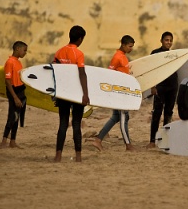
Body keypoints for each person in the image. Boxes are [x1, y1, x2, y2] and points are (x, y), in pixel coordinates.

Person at [53, 25, 90, 163]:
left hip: (63, 92)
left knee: (62, 124)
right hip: (76, 93)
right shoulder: (78, 53)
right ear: (80, 38)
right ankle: (78, 156)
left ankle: (58, 156)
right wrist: (85, 94)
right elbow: (82, 74)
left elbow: (55, 71)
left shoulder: (59, 52)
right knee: (76, 123)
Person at [93, 35, 136, 152]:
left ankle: (98, 140)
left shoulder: (123, 57)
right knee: (123, 118)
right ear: (123, 45)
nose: (131, 49)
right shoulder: (117, 57)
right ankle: (128, 145)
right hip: (119, 93)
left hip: (123, 92)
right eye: (130, 46)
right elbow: (109, 74)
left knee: (115, 117)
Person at [146, 32, 178, 149]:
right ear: (161, 40)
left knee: (168, 113)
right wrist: (153, 86)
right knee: (157, 113)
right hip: (160, 87)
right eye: (166, 40)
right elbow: (151, 70)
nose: (168, 42)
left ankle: (165, 140)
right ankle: (152, 141)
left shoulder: (175, 54)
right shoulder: (155, 53)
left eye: (170, 40)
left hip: (172, 86)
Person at [0, 41, 28, 149]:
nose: (25, 53)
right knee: (12, 116)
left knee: (17, 117)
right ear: (17, 49)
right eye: (24, 50)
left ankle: (12, 141)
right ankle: (3, 141)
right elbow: (7, 81)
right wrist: (15, 97)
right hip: (13, 92)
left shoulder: (18, 62)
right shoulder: (10, 62)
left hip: (20, 90)